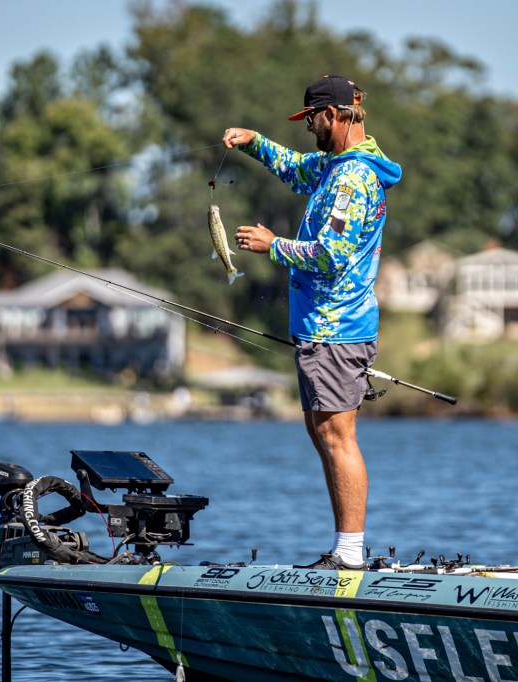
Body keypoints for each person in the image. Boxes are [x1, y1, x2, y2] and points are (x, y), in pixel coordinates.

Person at [223, 75, 402, 570]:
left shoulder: (351, 180)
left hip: (335, 330)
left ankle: (349, 553)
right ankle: (345, 548)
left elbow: (331, 254)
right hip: (322, 329)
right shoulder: (336, 166)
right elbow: (296, 168)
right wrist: (254, 142)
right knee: (325, 434)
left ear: (334, 114)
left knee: (337, 437)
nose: (308, 129)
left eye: (312, 119)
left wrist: (272, 245)